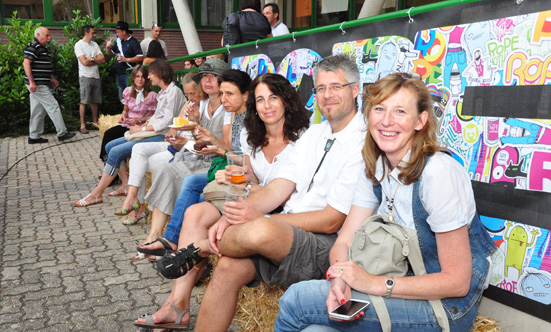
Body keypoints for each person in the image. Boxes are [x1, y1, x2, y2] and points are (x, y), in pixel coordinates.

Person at [137, 54, 366, 332]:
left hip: (326, 244)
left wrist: (259, 218)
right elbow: (278, 187)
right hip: (287, 234)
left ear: (355, 90)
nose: (327, 95)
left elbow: (332, 220)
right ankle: (183, 300)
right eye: (320, 88)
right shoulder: (316, 134)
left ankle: (198, 250)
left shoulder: (363, 141)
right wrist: (231, 217)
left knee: (259, 230)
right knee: (227, 268)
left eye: (336, 87)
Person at [274, 72, 497, 332]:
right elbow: (344, 242)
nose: (387, 121)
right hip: (399, 288)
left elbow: (457, 282)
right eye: (379, 109)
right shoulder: (376, 166)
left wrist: (372, 283)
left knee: (296, 300)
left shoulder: (438, 173)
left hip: (445, 307)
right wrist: (340, 278)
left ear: (420, 121)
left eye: (400, 111)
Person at [134, 72, 311, 331]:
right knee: (195, 212)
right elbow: (249, 175)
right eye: (260, 100)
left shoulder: (303, 139)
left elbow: (279, 193)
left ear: (287, 101)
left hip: (280, 212)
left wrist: (247, 188)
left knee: (198, 194)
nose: (267, 106)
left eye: (273, 98)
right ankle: (177, 303)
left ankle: (196, 252)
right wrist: (237, 176)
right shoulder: (254, 133)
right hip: (253, 200)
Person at [125, 61, 228, 249]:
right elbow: (201, 141)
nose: (207, 80)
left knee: (168, 168)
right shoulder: (204, 105)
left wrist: (192, 135)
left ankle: (164, 237)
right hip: (201, 157)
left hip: (214, 163)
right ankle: (154, 234)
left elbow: (225, 149)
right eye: (204, 76)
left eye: (213, 76)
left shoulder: (227, 107)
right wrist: (189, 138)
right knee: (164, 167)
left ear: (224, 80)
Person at [74, 59, 185, 207]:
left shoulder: (173, 92)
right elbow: (156, 117)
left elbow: (166, 122)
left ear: (160, 74)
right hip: (153, 132)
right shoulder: (164, 93)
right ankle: (125, 184)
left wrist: (141, 128)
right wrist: (143, 125)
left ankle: (96, 194)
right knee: (109, 146)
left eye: (150, 74)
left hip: (162, 136)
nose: (148, 77)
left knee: (115, 151)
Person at [114, 70, 208, 226]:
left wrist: (193, 125)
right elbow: (173, 127)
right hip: (175, 144)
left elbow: (203, 140)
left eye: (193, 94)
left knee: (143, 162)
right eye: (187, 94)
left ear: (202, 91)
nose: (190, 98)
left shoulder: (205, 107)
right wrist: (174, 136)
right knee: (138, 150)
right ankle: (133, 198)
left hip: (188, 149)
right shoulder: (188, 103)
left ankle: (140, 207)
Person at [98, 65, 157, 189]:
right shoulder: (127, 91)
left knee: (117, 146)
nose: (140, 79)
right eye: (137, 76)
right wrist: (123, 117)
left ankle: (114, 176)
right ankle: (121, 179)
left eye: (142, 77)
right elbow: (125, 110)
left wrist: (139, 120)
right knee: (109, 134)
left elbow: (153, 116)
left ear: (146, 79)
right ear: (133, 78)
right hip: (127, 125)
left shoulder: (151, 95)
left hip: (140, 127)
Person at [23, 27, 76, 144]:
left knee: (38, 110)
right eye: (46, 35)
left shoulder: (41, 48)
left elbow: (41, 66)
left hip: (40, 83)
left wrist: (51, 78)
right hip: (37, 84)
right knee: (53, 106)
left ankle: (34, 136)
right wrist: (32, 82)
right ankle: (62, 133)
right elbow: (26, 63)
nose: (49, 38)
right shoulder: (33, 46)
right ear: (38, 35)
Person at [74, 25, 105, 134]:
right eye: (92, 33)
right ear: (86, 33)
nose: (94, 35)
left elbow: (103, 59)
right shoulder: (79, 45)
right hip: (85, 76)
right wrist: (96, 60)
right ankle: (82, 125)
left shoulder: (95, 44)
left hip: (95, 76)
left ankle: (94, 122)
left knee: (95, 101)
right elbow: (84, 62)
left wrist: (91, 58)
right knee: (84, 101)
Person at [106, 21, 144, 101]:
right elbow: (110, 54)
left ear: (124, 32)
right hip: (119, 74)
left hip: (129, 74)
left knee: (131, 97)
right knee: (122, 98)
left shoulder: (134, 42)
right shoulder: (118, 42)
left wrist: (126, 59)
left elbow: (140, 57)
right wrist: (107, 47)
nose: (117, 34)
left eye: (118, 32)